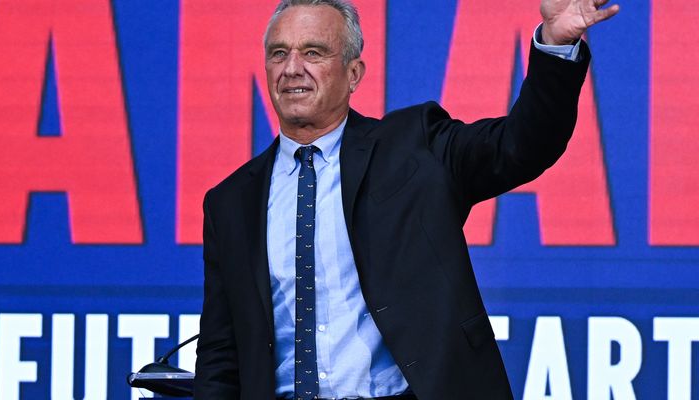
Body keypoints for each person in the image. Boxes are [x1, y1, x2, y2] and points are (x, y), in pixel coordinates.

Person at [194, 0, 617, 398]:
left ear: (354, 73)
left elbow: (522, 146)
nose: (292, 69)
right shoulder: (230, 203)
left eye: (314, 52)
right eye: (279, 53)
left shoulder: (415, 147)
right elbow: (220, 354)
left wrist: (556, 44)